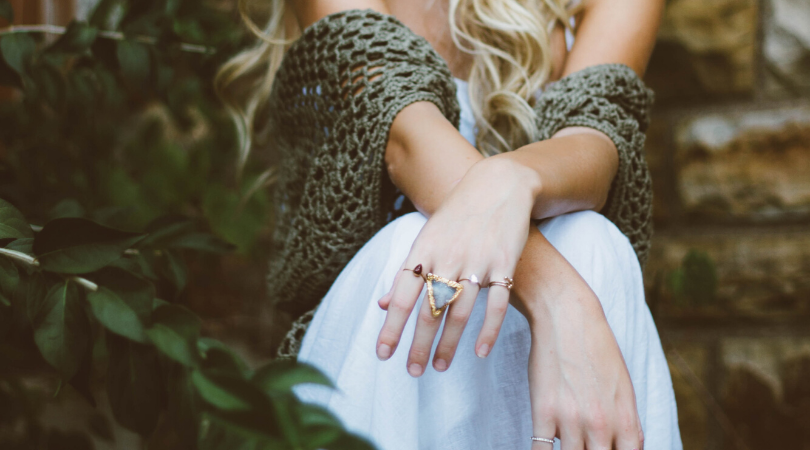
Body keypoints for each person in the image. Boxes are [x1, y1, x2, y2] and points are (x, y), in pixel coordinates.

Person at [217, 0, 681, 449]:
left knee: (591, 238)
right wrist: (560, 297)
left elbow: (596, 145)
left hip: (518, 336)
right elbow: (404, 138)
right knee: (413, 242)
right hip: (382, 324)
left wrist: (510, 179)